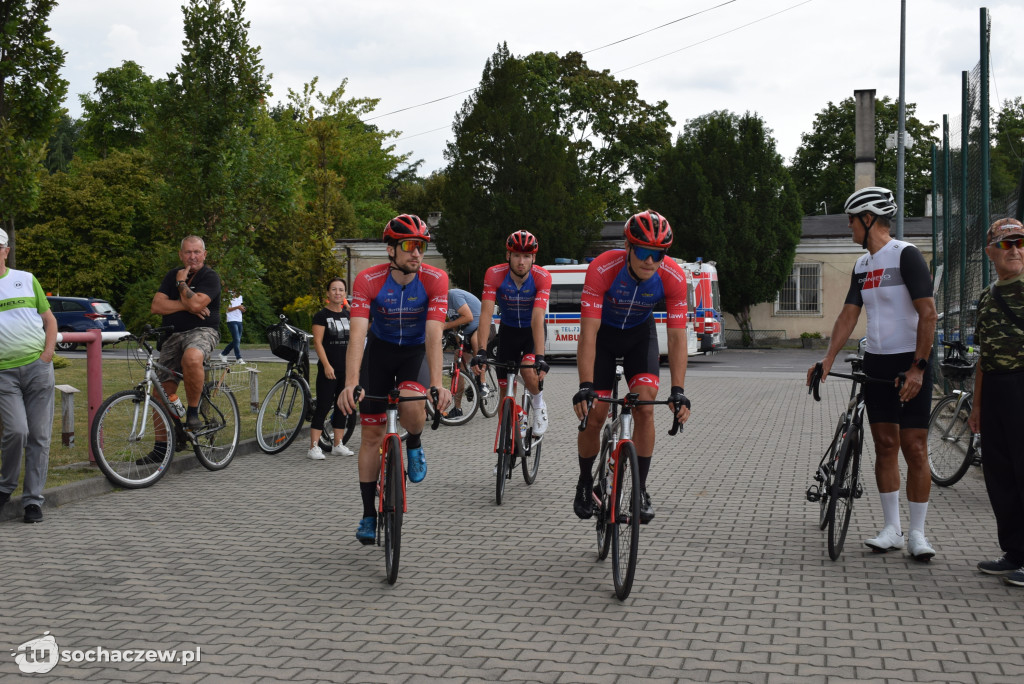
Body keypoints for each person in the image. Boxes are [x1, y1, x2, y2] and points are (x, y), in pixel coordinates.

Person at [806, 186, 938, 561]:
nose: (848, 227)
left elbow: (928, 313)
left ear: (868, 219)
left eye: (851, 220)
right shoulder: (862, 265)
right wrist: (828, 358)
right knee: (885, 445)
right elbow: (849, 314)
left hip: (911, 364)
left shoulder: (906, 256)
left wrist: (919, 368)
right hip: (877, 362)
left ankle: (917, 534)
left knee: (914, 447)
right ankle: (891, 529)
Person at [570, 210, 692, 524]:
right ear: (628, 246)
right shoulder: (603, 269)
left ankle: (639, 489)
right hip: (603, 339)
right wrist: (585, 386)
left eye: (658, 254)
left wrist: (678, 391)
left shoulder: (674, 277)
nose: (650, 261)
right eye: (642, 251)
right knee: (594, 415)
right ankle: (585, 483)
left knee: (646, 408)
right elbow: (588, 333)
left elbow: (678, 338)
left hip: (640, 337)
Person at [337, 214, 452, 545]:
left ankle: (413, 443)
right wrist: (351, 382)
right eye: (409, 246)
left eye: (421, 246)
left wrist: (437, 383)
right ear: (391, 250)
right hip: (380, 353)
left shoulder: (435, 279)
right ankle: (368, 514)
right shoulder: (368, 280)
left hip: (414, 354)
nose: (417, 253)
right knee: (371, 436)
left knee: (413, 407)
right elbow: (357, 333)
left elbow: (434, 333)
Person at [968, 217, 1024, 587]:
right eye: (1007, 245)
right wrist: (976, 406)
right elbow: (984, 357)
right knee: (1000, 476)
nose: (1015, 251)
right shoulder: (987, 298)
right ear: (992, 252)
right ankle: (1015, 553)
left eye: (1021, 244)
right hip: (997, 393)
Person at [0, 228, 57, 524]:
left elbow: (49, 320)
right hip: (4, 374)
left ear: (6, 250)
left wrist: (47, 355)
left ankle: (33, 501)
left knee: (39, 435)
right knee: (17, 431)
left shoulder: (25, 279)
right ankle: (5, 486)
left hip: (37, 368)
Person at [472, 230, 552, 435]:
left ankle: (538, 404)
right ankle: (504, 453)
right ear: (508, 256)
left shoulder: (542, 277)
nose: (521, 261)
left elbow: (537, 317)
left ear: (534, 258)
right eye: (516, 255)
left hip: (531, 332)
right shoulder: (494, 274)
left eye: (527, 256)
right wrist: (481, 351)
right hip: (508, 332)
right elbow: (486, 315)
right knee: (505, 392)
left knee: (527, 369)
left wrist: (540, 357)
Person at [149, 236, 221, 451]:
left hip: (202, 331)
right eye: (188, 252)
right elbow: (156, 306)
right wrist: (187, 305)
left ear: (205, 254)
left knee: (192, 357)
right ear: (181, 255)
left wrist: (182, 284)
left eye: (197, 252)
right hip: (172, 335)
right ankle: (161, 449)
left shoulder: (210, 277)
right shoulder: (171, 275)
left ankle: (192, 413)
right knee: (160, 392)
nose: (192, 257)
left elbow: (198, 302)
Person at [308, 277, 356, 460]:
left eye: (341, 290)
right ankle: (313, 447)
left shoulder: (348, 315)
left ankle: (338, 444)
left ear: (345, 294)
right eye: (334, 289)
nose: (337, 293)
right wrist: (327, 365)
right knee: (323, 405)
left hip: (346, 369)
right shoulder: (321, 316)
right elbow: (318, 343)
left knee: (342, 406)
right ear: (328, 293)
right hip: (329, 369)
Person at [444, 287, 482, 418]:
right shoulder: (444, 303)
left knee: (475, 341)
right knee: (457, 367)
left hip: (481, 326)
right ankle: (458, 408)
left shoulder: (453, 295)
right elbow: (455, 322)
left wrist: (445, 326)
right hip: (465, 332)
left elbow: (468, 317)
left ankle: (482, 383)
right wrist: (457, 343)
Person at [219, 288, 245, 364]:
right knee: (236, 339)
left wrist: (242, 309)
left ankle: (223, 354)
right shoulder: (227, 296)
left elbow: (240, 306)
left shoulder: (240, 296)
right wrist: (237, 307)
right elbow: (227, 309)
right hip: (231, 320)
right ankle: (238, 358)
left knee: (237, 340)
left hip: (239, 320)